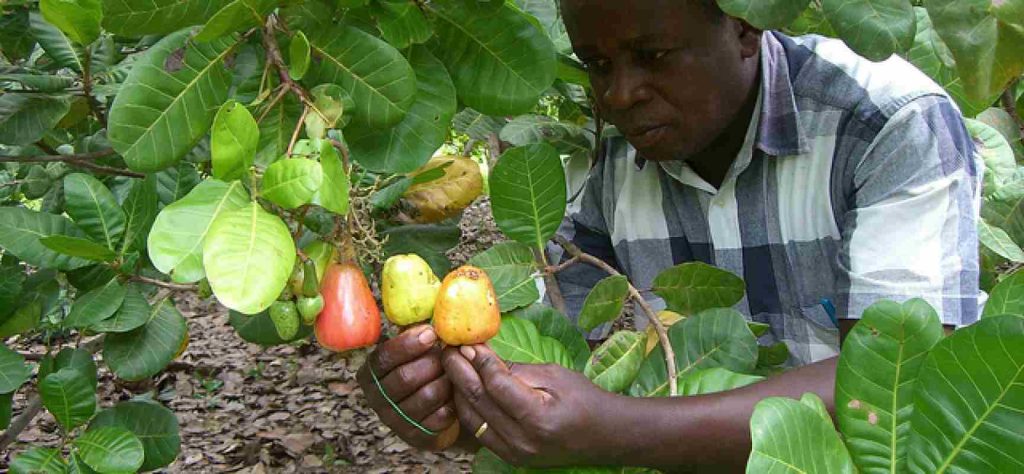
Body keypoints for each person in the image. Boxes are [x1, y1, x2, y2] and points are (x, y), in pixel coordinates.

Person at [356, 0, 982, 471]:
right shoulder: (609, 163)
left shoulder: (888, 124)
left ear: (743, 26)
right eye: (597, 65)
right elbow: (561, 385)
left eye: (652, 57)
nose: (620, 95)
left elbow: (901, 385)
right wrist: (447, 405)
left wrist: (622, 429)